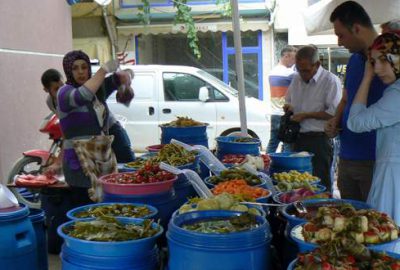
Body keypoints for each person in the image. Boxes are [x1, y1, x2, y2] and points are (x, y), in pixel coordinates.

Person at [325, 1, 387, 201]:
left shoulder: (390, 60)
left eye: (341, 35)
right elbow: (345, 99)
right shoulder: (353, 61)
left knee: (376, 223)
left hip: (377, 160)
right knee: (348, 217)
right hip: (347, 155)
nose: (339, 42)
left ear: (357, 28)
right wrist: (336, 119)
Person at [347, 32, 400, 225]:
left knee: (389, 238)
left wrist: (366, 78)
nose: (376, 68)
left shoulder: (398, 93)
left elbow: (356, 122)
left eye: (382, 60)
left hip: (394, 179)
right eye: (372, 62)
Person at [284, 45, 342, 191]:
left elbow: (334, 113)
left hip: (319, 140)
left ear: (317, 65)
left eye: (306, 70)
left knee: (320, 184)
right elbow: (289, 101)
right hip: (298, 138)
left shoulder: (330, 81)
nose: (303, 74)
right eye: (299, 69)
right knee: (298, 184)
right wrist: (289, 108)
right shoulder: (296, 79)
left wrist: (306, 115)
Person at [267, 45, 297, 153]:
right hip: (285, 113)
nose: (294, 62)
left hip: (274, 113)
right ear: (286, 56)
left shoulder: (272, 72)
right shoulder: (290, 74)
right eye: (293, 58)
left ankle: (267, 164)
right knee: (288, 143)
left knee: (273, 142)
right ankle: (286, 168)